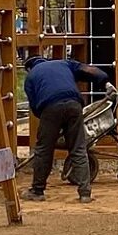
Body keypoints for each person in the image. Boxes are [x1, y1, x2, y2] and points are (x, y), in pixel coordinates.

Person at [22, 55, 109, 203]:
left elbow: (35, 108)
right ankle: (85, 193)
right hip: (74, 105)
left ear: (29, 67)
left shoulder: (31, 77)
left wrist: (52, 124)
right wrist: (105, 82)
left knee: (44, 150)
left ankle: (37, 190)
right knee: (78, 148)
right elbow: (91, 71)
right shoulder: (64, 64)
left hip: (50, 108)